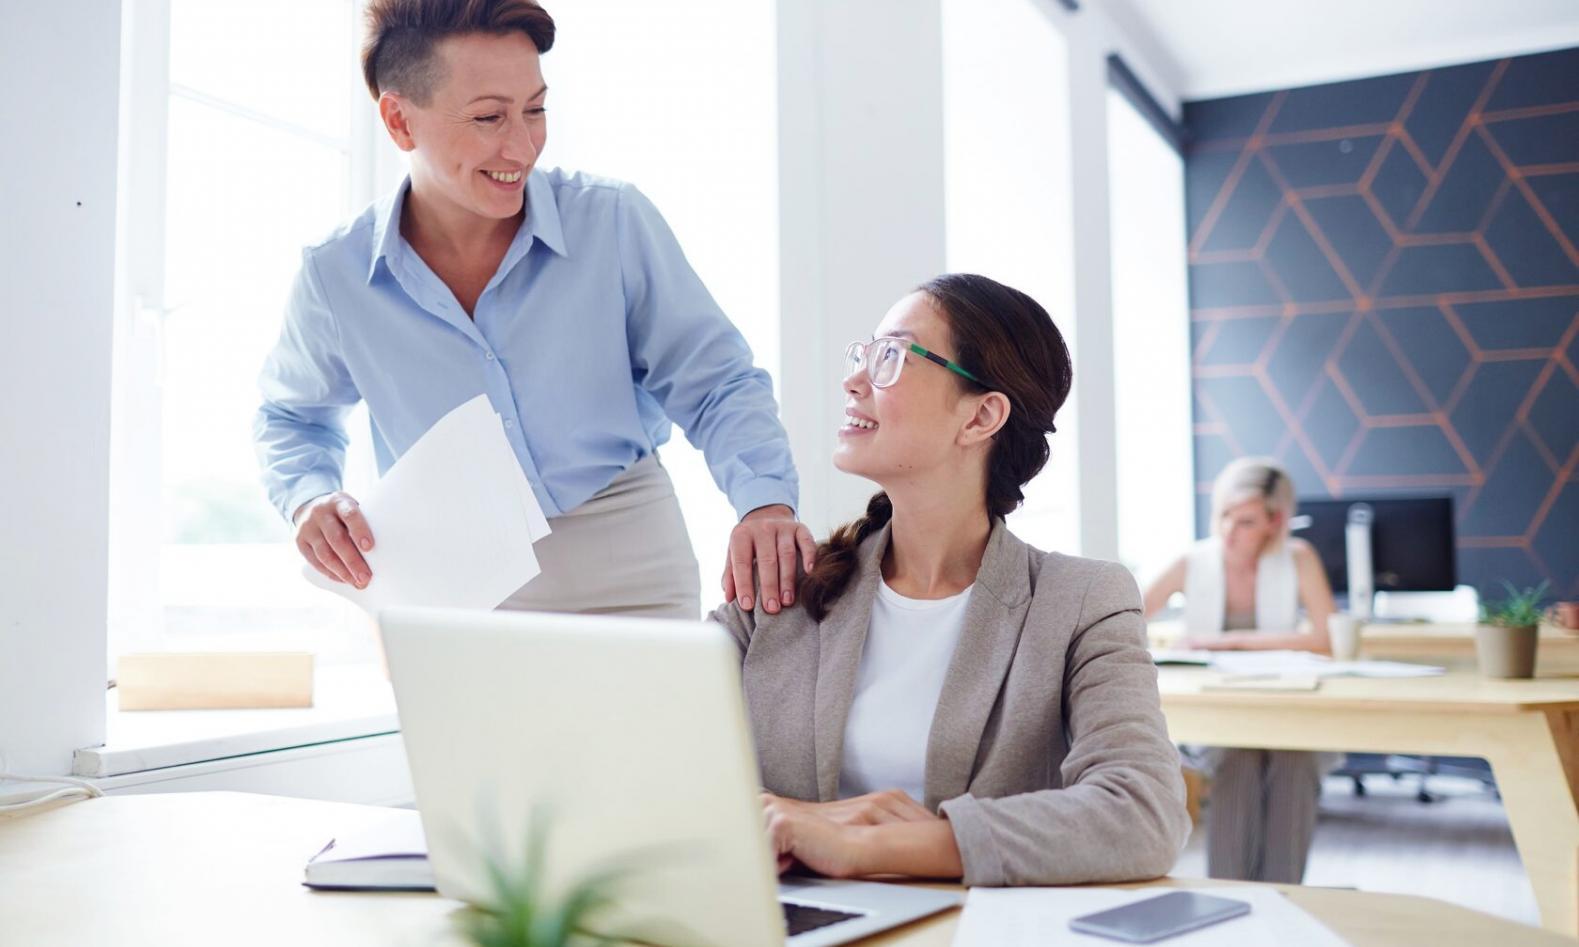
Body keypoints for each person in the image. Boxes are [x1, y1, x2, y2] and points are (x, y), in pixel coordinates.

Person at [254, 0, 811, 620]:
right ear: (399, 122)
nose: (522, 146)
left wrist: (764, 501)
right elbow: (289, 416)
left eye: (536, 109)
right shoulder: (335, 276)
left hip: (631, 563)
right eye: (490, 117)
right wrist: (310, 498)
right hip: (455, 584)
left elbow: (717, 384)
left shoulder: (613, 223)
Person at [708, 274, 1189, 885]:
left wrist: (866, 849)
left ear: (981, 416)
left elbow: (1141, 814)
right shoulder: (779, 587)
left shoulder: (1081, 602)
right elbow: (638, 771)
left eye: (892, 358)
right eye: (864, 354)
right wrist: (799, 819)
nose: (854, 381)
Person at [1143, 457, 1338, 883]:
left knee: (1294, 764)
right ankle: (1232, 894)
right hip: (1222, 715)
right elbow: (1125, 615)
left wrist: (1226, 641)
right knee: (1238, 760)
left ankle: (1283, 896)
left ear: (1276, 519)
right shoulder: (1192, 560)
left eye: (1246, 521)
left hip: (1288, 710)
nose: (1230, 530)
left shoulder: (1299, 558)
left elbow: (1326, 640)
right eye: (1225, 516)